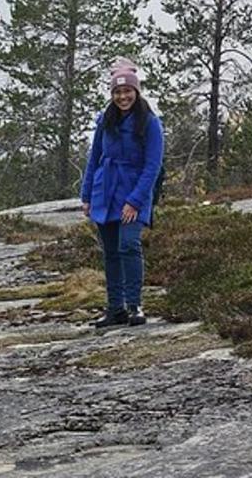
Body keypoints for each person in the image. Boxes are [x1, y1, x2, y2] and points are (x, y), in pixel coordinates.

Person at [80, 59, 164, 328]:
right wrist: (87, 196)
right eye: (117, 92)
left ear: (136, 92)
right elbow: (94, 159)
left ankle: (135, 305)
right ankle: (115, 308)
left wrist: (135, 201)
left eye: (127, 91)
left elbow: (152, 167)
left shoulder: (150, 123)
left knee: (129, 245)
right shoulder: (105, 122)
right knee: (111, 252)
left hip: (133, 192)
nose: (122, 96)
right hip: (105, 191)